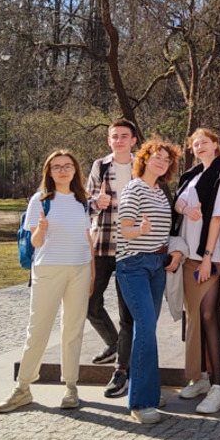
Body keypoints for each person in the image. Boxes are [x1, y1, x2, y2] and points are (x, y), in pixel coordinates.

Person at [0, 151, 94, 414]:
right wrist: (41, 227)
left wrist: (92, 273)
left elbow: (88, 239)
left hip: (80, 270)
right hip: (48, 270)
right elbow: (35, 242)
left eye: (67, 166)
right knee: (38, 329)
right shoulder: (40, 201)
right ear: (49, 172)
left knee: (73, 330)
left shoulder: (82, 201)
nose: (63, 171)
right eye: (56, 167)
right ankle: (23, 388)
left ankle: (71, 387)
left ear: (75, 170)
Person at [116, 138, 184, 424]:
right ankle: (141, 402)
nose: (161, 162)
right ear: (144, 158)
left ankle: (150, 391)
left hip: (157, 265)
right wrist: (140, 230)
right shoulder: (134, 189)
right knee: (144, 328)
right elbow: (124, 230)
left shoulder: (159, 192)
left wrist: (174, 249)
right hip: (134, 265)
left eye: (166, 160)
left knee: (148, 330)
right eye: (156, 156)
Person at [171, 128, 220, 414]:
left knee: (209, 315)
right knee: (194, 317)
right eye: (195, 143)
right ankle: (201, 377)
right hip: (188, 254)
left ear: (216, 145)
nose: (199, 146)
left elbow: (218, 215)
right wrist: (185, 210)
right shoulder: (192, 175)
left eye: (204, 142)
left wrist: (209, 256)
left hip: (208, 255)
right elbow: (178, 204)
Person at [86, 119, 140, 399]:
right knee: (89, 301)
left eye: (124, 136)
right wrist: (97, 203)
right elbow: (86, 202)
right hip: (102, 244)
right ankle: (115, 344)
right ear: (109, 140)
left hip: (131, 247)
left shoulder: (140, 166)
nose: (118, 140)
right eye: (114, 136)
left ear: (133, 140)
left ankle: (122, 371)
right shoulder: (100, 166)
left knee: (126, 312)